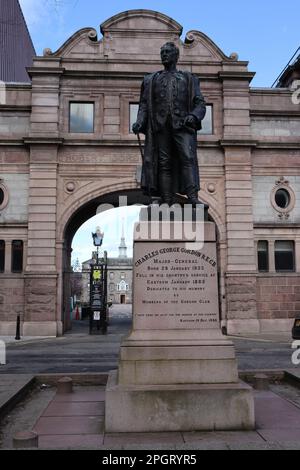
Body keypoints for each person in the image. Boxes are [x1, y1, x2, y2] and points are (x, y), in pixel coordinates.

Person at [132, 42, 206, 206]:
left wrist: (194, 116)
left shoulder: (189, 79)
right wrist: (139, 121)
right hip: (160, 127)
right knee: (163, 163)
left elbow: (200, 103)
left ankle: (192, 197)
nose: (164, 55)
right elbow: (143, 105)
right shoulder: (150, 80)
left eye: (167, 52)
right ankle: (166, 199)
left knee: (187, 158)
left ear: (176, 56)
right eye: (162, 52)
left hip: (183, 126)